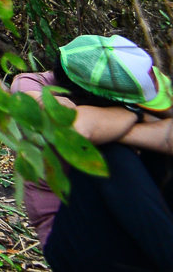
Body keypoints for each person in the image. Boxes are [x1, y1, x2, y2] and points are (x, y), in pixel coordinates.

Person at [10, 32, 173, 270]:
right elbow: (75, 129)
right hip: (75, 243)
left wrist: (122, 121)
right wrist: (135, 116)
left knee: (159, 156)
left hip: (132, 224)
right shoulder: (31, 86)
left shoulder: (129, 84)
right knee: (107, 153)